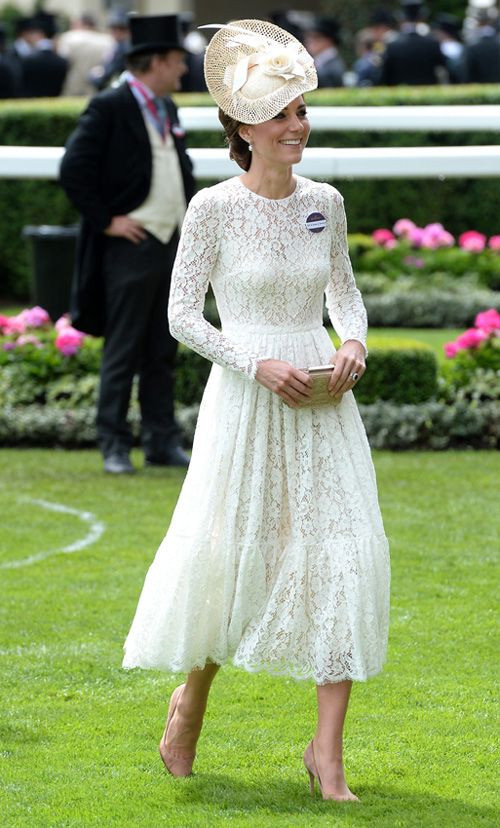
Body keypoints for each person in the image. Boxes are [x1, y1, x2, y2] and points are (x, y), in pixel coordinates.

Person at [123, 18, 390, 802]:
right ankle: (190, 705)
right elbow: (181, 315)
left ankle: (328, 753)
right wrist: (255, 361)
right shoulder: (212, 208)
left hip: (324, 404)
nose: (297, 126)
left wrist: (354, 348)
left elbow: (347, 298)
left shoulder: (327, 202)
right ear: (245, 129)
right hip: (246, 402)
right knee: (234, 557)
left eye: (302, 112)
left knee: (342, 552)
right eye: (282, 115)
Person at [59, 14, 195, 474]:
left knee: (162, 347)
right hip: (131, 246)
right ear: (155, 61)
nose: (182, 69)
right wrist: (108, 221)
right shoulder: (109, 105)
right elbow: (73, 170)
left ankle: (161, 441)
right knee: (123, 349)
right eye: (176, 60)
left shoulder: (167, 108)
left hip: (170, 243)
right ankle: (114, 444)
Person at [379, 0, 447, 85]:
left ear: (401, 18)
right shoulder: (432, 43)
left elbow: (383, 77)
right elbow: (445, 69)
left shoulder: (392, 45)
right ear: (422, 17)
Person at [57, 13, 113, 97]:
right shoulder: (108, 40)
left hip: (72, 87)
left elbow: (61, 63)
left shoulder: (68, 38)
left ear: (81, 23)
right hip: (96, 89)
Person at [304, 16, 345, 88]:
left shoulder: (332, 67)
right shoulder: (320, 61)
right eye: (309, 37)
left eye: (315, 37)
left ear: (329, 40)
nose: (309, 41)